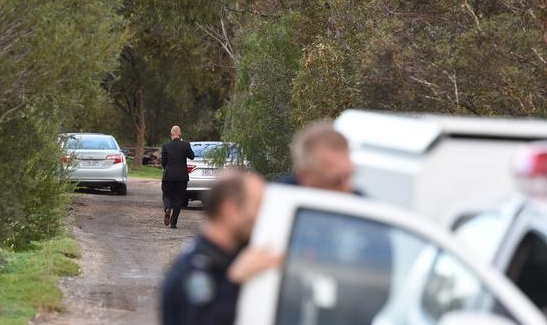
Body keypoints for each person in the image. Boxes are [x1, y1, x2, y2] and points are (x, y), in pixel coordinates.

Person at [277, 120, 391, 325]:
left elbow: (380, 287)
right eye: (336, 180)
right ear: (305, 176)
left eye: (350, 175)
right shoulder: (274, 207)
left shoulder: (365, 214)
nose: (347, 187)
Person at [161, 172, 281, 325]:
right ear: (231, 210)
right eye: (258, 206)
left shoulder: (230, 256)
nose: (264, 216)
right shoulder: (193, 271)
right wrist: (235, 280)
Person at [161, 126, 195, 228]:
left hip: (168, 176)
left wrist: (167, 169)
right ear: (180, 134)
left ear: (171, 134)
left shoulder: (165, 146)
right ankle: (173, 222)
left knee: (166, 195)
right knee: (179, 199)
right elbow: (192, 156)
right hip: (182, 177)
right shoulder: (185, 145)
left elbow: (163, 163)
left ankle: (167, 208)